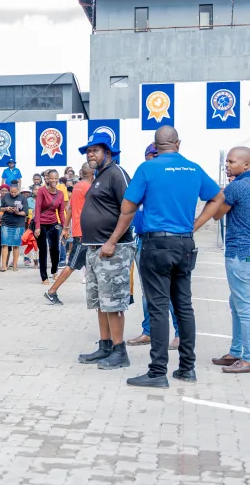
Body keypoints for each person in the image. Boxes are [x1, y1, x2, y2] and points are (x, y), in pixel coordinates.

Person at [105, 126, 223, 388]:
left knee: (158, 307)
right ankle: (187, 368)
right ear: (178, 143)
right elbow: (218, 198)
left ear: (156, 146)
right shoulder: (193, 168)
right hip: (185, 243)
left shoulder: (147, 168)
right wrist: (194, 225)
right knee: (184, 306)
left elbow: (127, 207)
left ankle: (158, 372)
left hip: (156, 243)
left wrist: (114, 237)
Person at [73, 131, 136, 372]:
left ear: (108, 152)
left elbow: (129, 210)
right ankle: (105, 345)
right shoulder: (100, 175)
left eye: (95, 150)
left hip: (113, 250)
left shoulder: (116, 173)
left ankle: (120, 351)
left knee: (113, 302)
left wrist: (112, 241)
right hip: (95, 249)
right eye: (88, 151)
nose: (90, 154)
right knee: (101, 301)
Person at [210, 147, 250, 374]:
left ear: (246, 165)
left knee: (243, 306)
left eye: (231, 161)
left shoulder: (236, 187)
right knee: (236, 303)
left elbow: (217, 214)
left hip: (239, 252)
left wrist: (220, 195)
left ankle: (249, 359)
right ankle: (236, 351)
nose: (227, 165)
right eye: (227, 161)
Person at [126, 144, 180, 350]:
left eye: (159, 155)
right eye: (153, 156)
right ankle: (148, 332)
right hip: (142, 240)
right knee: (147, 290)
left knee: (171, 289)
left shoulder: (169, 181)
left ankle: (179, 333)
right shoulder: (143, 178)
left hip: (165, 240)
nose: (157, 159)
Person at [44, 163, 91, 305]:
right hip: (83, 232)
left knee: (91, 263)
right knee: (72, 264)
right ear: (92, 172)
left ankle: (96, 294)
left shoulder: (77, 187)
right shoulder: (88, 187)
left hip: (81, 230)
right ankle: (51, 291)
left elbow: (69, 208)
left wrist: (66, 227)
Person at [34, 170, 67, 284]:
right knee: (43, 250)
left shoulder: (60, 193)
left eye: (56, 178)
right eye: (51, 178)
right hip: (41, 223)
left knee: (55, 249)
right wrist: (37, 226)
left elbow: (61, 212)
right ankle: (44, 277)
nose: (54, 180)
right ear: (48, 178)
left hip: (53, 223)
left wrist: (64, 227)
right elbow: (37, 208)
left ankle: (54, 271)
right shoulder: (42, 190)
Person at [0, 180, 28, 272]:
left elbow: (25, 213)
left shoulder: (23, 198)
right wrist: (6, 208)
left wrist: (17, 212)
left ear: (18, 191)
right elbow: (0, 208)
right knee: (4, 244)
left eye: (15, 192)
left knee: (16, 245)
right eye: (11, 192)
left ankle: (15, 265)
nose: (13, 194)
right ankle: (4, 265)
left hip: (18, 224)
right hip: (6, 223)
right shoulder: (5, 197)